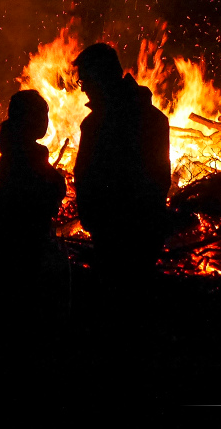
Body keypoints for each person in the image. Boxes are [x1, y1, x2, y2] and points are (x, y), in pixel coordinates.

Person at [72, 43, 171, 289]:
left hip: (114, 235)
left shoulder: (97, 124)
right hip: (145, 233)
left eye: (84, 80)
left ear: (100, 77)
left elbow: (86, 177)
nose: (83, 89)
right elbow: (161, 178)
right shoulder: (154, 118)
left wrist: (94, 220)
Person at [0, 89, 66, 275]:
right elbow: (45, 192)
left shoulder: (10, 151)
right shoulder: (29, 155)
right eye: (42, 116)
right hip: (26, 241)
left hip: (6, 239)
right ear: (28, 119)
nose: (46, 122)